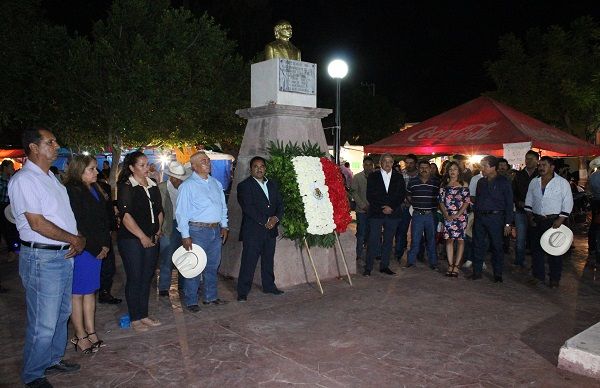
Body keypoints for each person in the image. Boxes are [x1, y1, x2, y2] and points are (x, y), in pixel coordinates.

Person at [9, 127, 86, 387]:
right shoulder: (24, 180)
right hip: (42, 258)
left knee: (61, 313)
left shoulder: (51, 177)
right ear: (33, 147)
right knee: (43, 320)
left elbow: (58, 215)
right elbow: (37, 223)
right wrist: (74, 238)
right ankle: (33, 374)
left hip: (62, 255)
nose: (56, 145)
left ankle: (52, 360)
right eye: (50, 142)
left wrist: (74, 238)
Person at [64, 155, 112, 354]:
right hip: (83, 248)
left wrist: (106, 245)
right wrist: (95, 247)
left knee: (90, 291)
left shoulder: (95, 189)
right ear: (79, 171)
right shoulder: (72, 191)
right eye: (91, 169)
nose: (96, 172)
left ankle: (91, 332)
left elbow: (103, 220)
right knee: (77, 294)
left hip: (98, 247)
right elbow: (78, 223)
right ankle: (80, 335)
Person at [116, 151, 163, 332]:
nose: (146, 168)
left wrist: (157, 232)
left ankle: (144, 314)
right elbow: (126, 215)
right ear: (131, 168)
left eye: (147, 164)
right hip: (132, 240)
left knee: (146, 277)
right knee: (135, 277)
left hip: (152, 237)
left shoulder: (152, 185)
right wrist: (142, 236)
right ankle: (135, 318)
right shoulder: (127, 186)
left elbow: (159, 211)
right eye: (141, 165)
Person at [176, 152, 229, 312]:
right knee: (194, 266)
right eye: (202, 160)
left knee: (212, 266)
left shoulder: (215, 183)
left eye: (207, 160)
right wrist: (185, 235)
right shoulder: (187, 186)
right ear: (193, 166)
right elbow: (181, 212)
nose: (207, 162)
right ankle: (191, 300)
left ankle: (210, 297)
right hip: (197, 230)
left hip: (215, 230)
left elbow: (222, 206)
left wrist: (224, 225)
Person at [236, 156, 284, 301]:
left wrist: (275, 219)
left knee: (268, 260)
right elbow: (248, 207)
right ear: (250, 169)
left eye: (262, 166)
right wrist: (265, 221)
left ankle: (269, 286)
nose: (259, 169)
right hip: (253, 231)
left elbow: (280, 205)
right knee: (248, 262)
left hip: (270, 231)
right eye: (256, 166)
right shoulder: (244, 186)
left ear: (265, 168)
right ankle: (243, 292)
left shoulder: (273, 185)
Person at [525, 156, 573, 288]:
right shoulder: (534, 182)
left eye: (544, 165)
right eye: (539, 165)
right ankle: (538, 276)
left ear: (552, 167)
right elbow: (529, 200)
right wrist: (530, 217)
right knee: (536, 250)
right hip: (536, 219)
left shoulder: (562, 183)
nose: (540, 167)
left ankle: (554, 278)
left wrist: (561, 219)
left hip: (553, 221)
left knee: (554, 251)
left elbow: (568, 202)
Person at [469, 156, 513, 283]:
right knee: (477, 244)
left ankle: (497, 274)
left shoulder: (504, 182)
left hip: (496, 218)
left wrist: (508, 223)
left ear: (493, 167)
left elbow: (509, 204)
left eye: (485, 166)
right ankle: (477, 272)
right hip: (481, 217)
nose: (482, 169)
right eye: (481, 166)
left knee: (497, 246)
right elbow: (477, 200)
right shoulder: (481, 182)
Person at [365, 153, 406, 276]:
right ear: (380, 163)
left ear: (393, 164)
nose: (387, 164)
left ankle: (384, 266)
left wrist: (391, 207)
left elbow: (401, 194)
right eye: (385, 161)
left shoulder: (399, 177)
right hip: (377, 213)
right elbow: (370, 195)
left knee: (388, 241)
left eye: (390, 161)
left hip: (393, 214)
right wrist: (382, 207)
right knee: (373, 240)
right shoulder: (373, 176)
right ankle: (368, 267)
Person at [157, 161, 191, 296]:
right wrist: (159, 228)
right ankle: (164, 287)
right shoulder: (161, 188)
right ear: (172, 177)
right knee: (167, 256)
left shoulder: (186, 188)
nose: (181, 181)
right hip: (168, 226)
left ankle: (183, 285)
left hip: (184, 226)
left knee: (185, 255)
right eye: (179, 179)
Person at [404, 160, 441, 270]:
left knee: (431, 239)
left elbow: (441, 198)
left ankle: (433, 263)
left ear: (430, 169)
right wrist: (415, 204)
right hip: (418, 215)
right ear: (418, 169)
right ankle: (410, 262)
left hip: (431, 215)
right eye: (421, 167)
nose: (424, 169)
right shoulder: (413, 181)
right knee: (415, 240)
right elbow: (408, 195)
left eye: (426, 167)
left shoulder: (436, 182)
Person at [438, 161, 470, 277]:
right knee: (449, 240)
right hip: (448, 216)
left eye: (455, 169)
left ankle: (456, 266)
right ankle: (450, 264)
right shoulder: (443, 184)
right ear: (447, 171)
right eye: (450, 169)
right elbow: (440, 201)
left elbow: (466, 201)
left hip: (461, 216)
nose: (452, 171)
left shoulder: (463, 184)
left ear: (459, 171)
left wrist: (457, 215)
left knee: (460, 240)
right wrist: (446, 215)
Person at [512, 150, 539, 269]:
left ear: (537, 161)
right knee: (520, 239)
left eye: (531, 159)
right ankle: (519, 261)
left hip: (536, 212)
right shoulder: (518, 175)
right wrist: (518, 202)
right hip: (521, 211)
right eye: (527, 158)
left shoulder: (540, 175)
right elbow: (513, 192)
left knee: (535, 238)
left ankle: (536, 263)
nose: (528, 161)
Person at [395, 154, 418, 261]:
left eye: (411, 163)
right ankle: (398, 253)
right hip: (404, 207)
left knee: (418, 232)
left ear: (415, 164)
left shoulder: (420, 175)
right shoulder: (401, 174)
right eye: (407, 163)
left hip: (418, 207)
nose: (409, 165)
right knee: (401, 231)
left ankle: (418, 254)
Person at [351, 156, 375, 260]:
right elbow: (354, 193)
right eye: (366, 164)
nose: (368, 167)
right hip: (361, 210)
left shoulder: (377, 177)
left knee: (373, 232)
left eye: (370, 165)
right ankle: (358, 253)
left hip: (374, 210)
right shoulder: (357, 177)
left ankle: (372, 253)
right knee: (361, 232)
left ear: (373, 166)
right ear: (363, 165)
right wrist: (363, 205)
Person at [0, 159, 19, 260]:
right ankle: (11, 251)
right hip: (3, 206)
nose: (13, 169)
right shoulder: (2, 180)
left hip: (12, 206)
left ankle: (14, 249)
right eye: (11, 167)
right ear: (5, 168)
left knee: (13, 228)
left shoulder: (12, 178)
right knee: (6, 229)